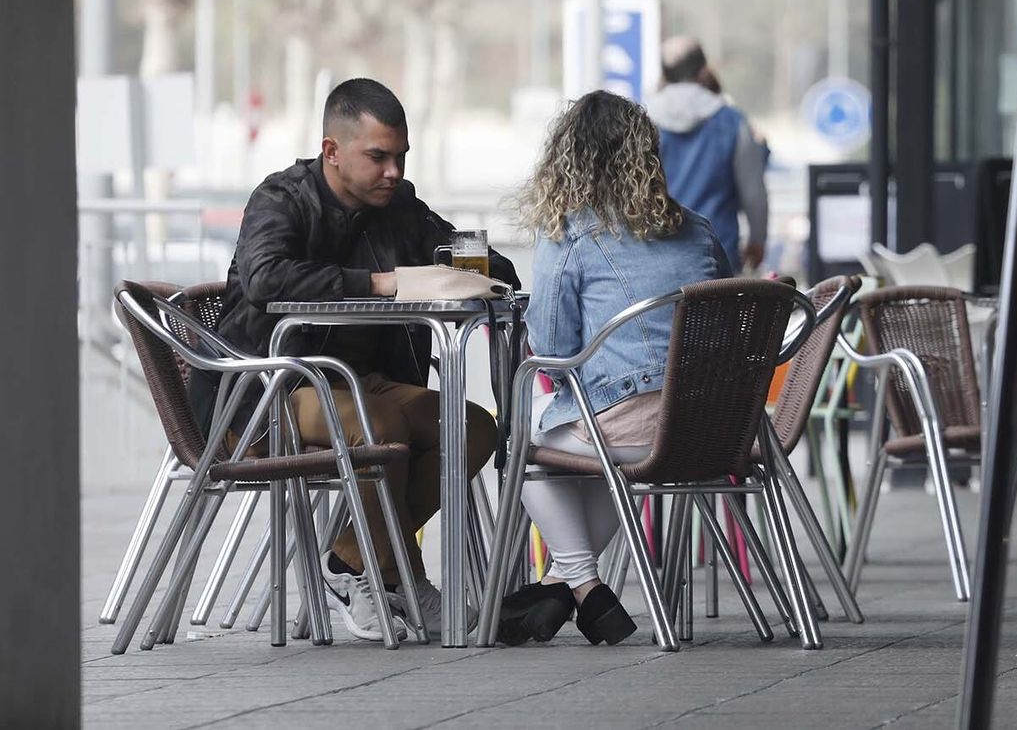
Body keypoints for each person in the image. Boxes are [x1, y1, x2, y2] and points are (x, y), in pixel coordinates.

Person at [190, 78, 519, 640]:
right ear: (332, 152)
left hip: (363, 386)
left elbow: (490, 266)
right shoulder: (281, 198)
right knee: (379, 424)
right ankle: (389, 574)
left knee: (470, 427)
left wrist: (469, 267)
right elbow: (266, 276)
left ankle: (352, 561)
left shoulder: (400, 208)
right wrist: (383, 281)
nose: (393, 171)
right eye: (378, 157)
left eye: (400, 157)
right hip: (266, 393)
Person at [497, 90, 733, 647]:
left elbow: (553, 348)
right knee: (586, 452)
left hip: (628, 428)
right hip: (709, 427)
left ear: (567, 158)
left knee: (516, 436)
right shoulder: (698, 228)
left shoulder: (570, 233)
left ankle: (579, 584)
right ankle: (565, 588)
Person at [644, 37, 768, 273]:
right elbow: (754, 193)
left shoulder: (643, 120)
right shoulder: (732, 122)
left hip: (656, 251)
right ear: (703, 70)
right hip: (717, 253)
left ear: (664, 73)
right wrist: (757, 240)